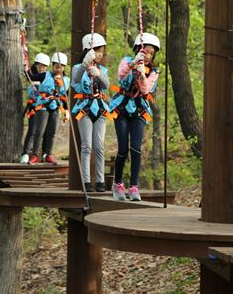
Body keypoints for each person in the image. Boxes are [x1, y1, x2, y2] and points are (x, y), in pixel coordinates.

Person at [109, 33, 160, 201]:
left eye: (151, 53)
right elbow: (121, 75)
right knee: (123, 148)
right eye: (145, 51)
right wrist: (133, 64)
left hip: (139, 109)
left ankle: (134, 186)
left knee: (136, 149)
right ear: (139, 50)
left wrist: (142, 75)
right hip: (122, 108)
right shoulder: (126, 61)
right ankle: (117, 184)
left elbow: (146, 90)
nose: (148, 55)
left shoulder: (153, 70)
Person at [71, 33, 111, 192]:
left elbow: (107, 85)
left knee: (99, 147)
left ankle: (100, 181)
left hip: (100, 108)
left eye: (102, 51)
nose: (100, 54)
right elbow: (76, 82)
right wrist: (84, 65)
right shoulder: (76, 68)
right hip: (85, 108)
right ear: (89, 51)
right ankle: (86, 181)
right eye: (97, 51)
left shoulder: (102, 69)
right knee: (86, 146)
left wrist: (99, 75)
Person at [32, 52, 71, 165]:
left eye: (61, 67)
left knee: (52, 132)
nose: (58, 69)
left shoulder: (66, 80)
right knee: (40, 131)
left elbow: (65, 96)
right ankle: (35, 155)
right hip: (43, 106)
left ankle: (49, 154)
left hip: (55, 106)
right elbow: (31, 76)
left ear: (64, 67)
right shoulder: (44, 75)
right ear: (53, 66)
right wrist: (27, 68)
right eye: (56, 66)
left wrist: (66, 111)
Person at [21, 53, 51, 164]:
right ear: (36, 65)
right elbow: (29, 77)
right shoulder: (32, 76)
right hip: (34, 107)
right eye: (39, 66)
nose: (41, 68)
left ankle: (42, 153)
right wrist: (26, 69)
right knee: (32, 130)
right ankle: (26, 153)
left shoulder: (48, 77)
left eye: (43, 66)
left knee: (44, 131)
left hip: (44, 108)